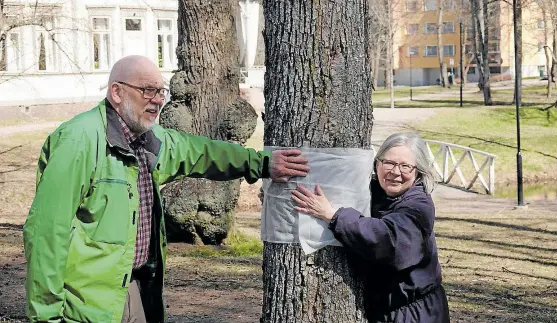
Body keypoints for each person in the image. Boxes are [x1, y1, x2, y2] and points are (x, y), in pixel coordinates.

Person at [23, 55, 310, 323]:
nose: (158, 100)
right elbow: (47, 232)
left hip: (136, 287)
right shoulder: (79, 140)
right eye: (147, 90)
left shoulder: (150, 140)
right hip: (87, 301)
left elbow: (202, 153)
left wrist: (261, 164)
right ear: (117, 92)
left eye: (161, 92)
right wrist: (47, 316)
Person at [291, 132, 450, 323]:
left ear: (418, 171)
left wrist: (334, 215)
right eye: (389, 163)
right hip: (388, 311)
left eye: (405, 166)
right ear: (377, 163)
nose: (395, 172)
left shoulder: (418, 206)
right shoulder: (373, 192)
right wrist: (282, 200)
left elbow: (388, 240)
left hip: (416, 315)